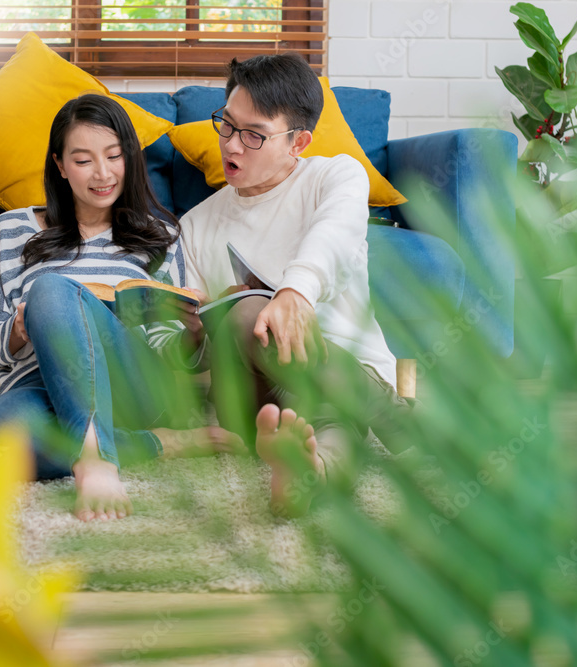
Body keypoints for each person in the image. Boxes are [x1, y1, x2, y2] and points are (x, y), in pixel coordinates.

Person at [0, 94, 242, 522]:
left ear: (130, 159)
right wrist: (18, 330)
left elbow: (167, 350)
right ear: (59, 166)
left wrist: (191, 334)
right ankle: (161, 443)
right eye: (83, 161)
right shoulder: (10, 230)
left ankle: (96, 460)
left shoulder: (161, 235)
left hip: (131, 385)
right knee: (4, 435)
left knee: (50, 289)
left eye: (114, 156)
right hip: (40, 386)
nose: (102, 173)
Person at [177, 53, 414, 517]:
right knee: (247, 316)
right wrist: (193, 333)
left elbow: (333, 237)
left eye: (253, 135)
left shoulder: (335, 176)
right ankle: (393, 419)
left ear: (297, 142)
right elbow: (192, 349)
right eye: (226, 125)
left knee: (329, 424)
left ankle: (311, 472)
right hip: (250, 402)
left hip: (340, 371)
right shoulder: (195, 224)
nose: (231, 146)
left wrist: (294, 294)